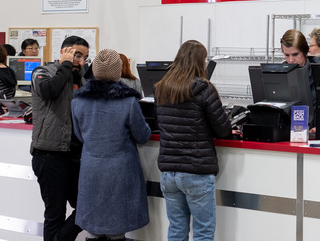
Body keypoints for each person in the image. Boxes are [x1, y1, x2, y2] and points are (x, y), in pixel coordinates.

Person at [71, 49, 151, 241]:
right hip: (120, 170)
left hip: (91, 168)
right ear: (118, 71)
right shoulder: (128, 101)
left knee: (93, 225)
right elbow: (142, 136)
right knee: (117, 227)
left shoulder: (78, 100)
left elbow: (79, 135)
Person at [155, 40, 231, 241]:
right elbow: (223, 130)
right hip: (196, 171)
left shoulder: (161, 89)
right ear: (200, 62)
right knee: (203, 232)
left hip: (168, 173)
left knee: (177, 230)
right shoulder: (204, 89)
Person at [30, 35, 90, 241]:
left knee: (86, 207)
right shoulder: (42, 72)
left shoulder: (81, 79)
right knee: (55, 215)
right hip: (48, 154)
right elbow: (50, 91)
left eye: (85, 58)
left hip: (74, 155)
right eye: (77, 56)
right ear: (65, 52)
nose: (81, 62)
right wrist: (65, 64)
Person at [281, 29, 320, 136]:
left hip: (319, 139)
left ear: (305, 52)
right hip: (288, 138)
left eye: (295, 54)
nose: (291, 60)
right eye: (287, 55)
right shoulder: (280, 75)